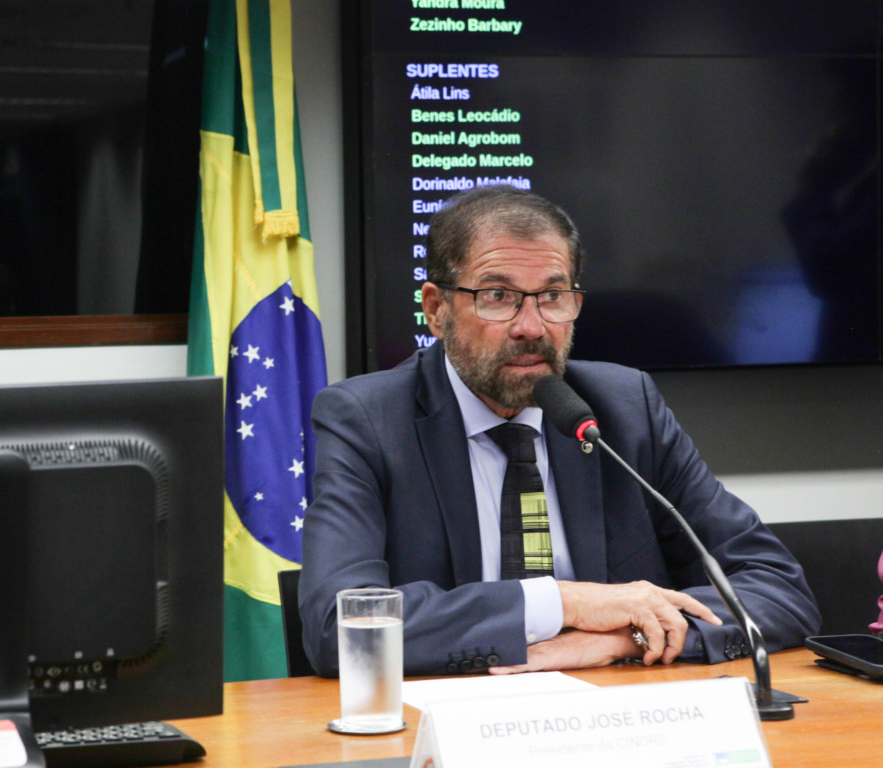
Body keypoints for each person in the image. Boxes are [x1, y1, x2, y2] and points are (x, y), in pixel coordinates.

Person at [299, 185, 820, 677]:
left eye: (552, 296)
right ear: (437, 310)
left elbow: (778, 591)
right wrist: (566, 602)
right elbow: (338, 628)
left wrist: (626, 638)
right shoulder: (366, 419)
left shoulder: (623, 408)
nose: (532, 326)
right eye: (498, 296)